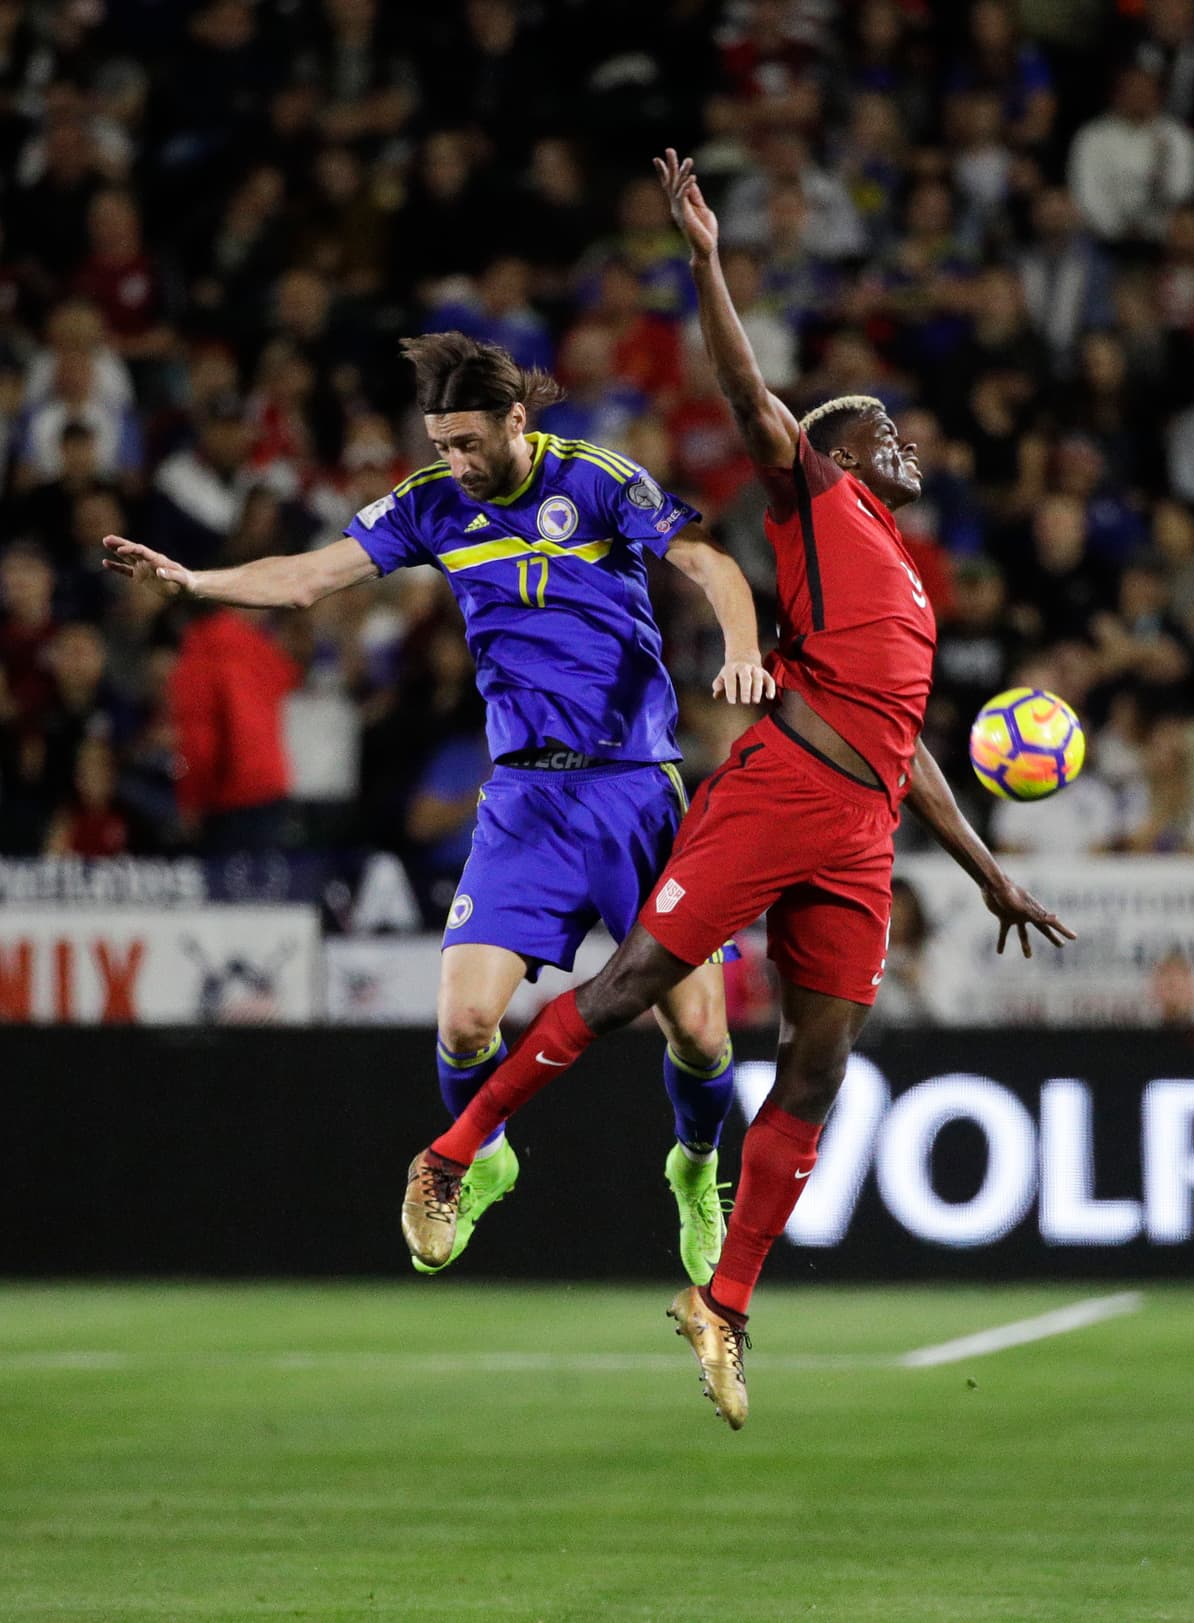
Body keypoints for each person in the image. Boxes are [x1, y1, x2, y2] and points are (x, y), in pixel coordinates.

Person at [403, 154, 1075, 1429]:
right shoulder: (811, 491)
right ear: (827, 448)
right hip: (776, 793)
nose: (901, 438)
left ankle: (721, 1301)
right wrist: (706, 261)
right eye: (880, 422)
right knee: (629, 992)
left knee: (816, 1067)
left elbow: (904, 742)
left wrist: (988, 871)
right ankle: (451, 1154)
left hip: (859, 826)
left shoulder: (905, 568)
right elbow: (746, 391)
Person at [102, 331, 772, 1287]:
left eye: (467, 441)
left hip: (634, 788)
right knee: (462, 1022)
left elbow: (709, 563)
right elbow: (306, 577)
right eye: (439, 443)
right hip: (526, 797)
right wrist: (193, 581)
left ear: (515, 419)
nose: (454, 462)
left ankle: (697, 1173)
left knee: (701, 1034)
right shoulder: (430, 505)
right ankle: (481, 1153)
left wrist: (739, 649)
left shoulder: (594, 481)